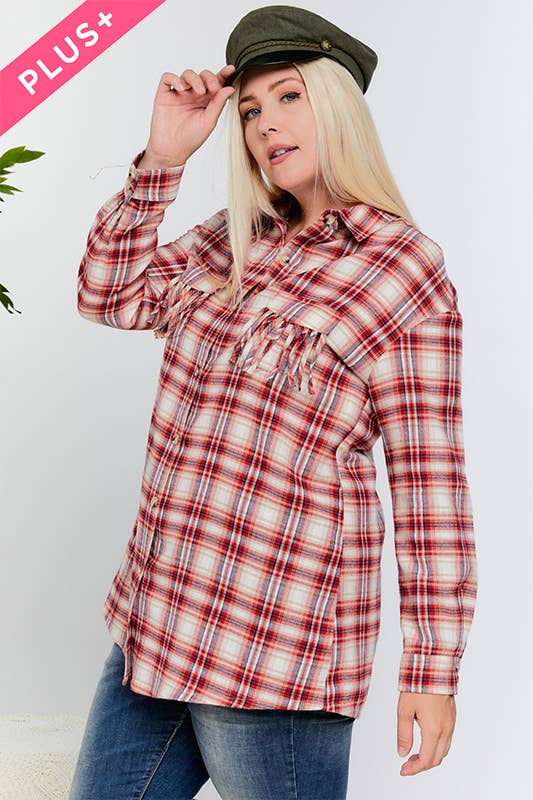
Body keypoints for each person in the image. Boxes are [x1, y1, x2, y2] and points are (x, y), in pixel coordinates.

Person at [69, 5, 478, 799]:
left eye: (288, 97)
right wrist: (162, 158)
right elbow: (106, 296)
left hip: (274, 647)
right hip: (157, 620)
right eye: (250, 109)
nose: (265, 125)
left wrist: (433, 669)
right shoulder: (235, 235)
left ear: (337, 106)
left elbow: (428, 485)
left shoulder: (402, 268)